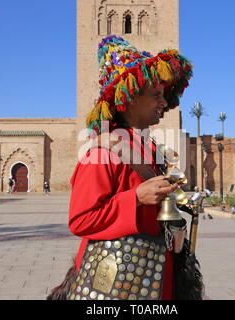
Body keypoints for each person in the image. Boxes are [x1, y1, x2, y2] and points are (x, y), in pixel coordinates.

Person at [48, 35, 198, 300]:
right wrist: (136, 198)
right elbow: (80, 220)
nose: (164, 103)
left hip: (152, 278)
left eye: (164, 95)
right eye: (156, 95)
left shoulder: (149, 148)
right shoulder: (102, 152)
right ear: (128, 98)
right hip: (119, 285)